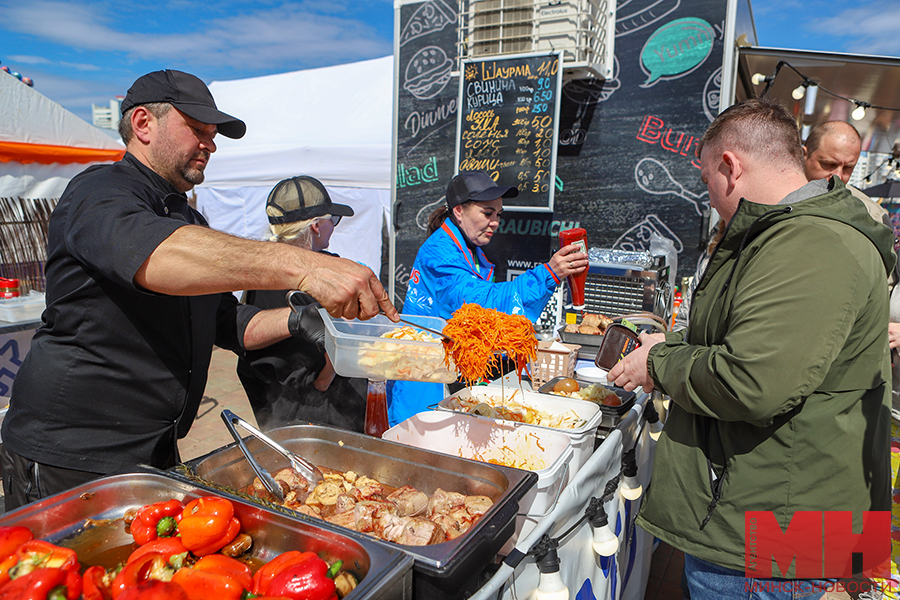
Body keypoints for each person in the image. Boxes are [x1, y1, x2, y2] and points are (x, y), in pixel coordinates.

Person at [0, 70, 397, 510]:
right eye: (197, 129)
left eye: (213, 134)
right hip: (70, 452)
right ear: (143, 125)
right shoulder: (99, 191)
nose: (209, 143)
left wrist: (297, 319)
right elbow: (153, 255)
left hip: (152, 445)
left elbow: (228, 323)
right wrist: (305, 266)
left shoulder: (187, 220)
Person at [609, 98, 894, 598]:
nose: (710, 195)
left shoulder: (811, 242)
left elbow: (752, 380)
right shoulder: (791, 233)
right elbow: (753, 339)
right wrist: (671, 342)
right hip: (773, 516)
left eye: (706, 180)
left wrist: (658, 360)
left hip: (776, 537)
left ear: (730, 167)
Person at [390, 170, 588, 425]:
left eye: (498, 214)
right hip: (424, 384)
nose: (495, 222)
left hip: (445, 375)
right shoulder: (439, 254)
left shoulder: (471, 251)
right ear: (459, 211)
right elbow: (479, 305)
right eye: (487, 213)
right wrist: (548, 274)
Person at [236, 176, 366, 432]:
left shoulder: (260, 271)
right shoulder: (302, 285)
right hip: (316, 414)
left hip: (280, 405)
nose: (334, 226)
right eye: (333, 220)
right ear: (316, 226)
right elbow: (321, 380)